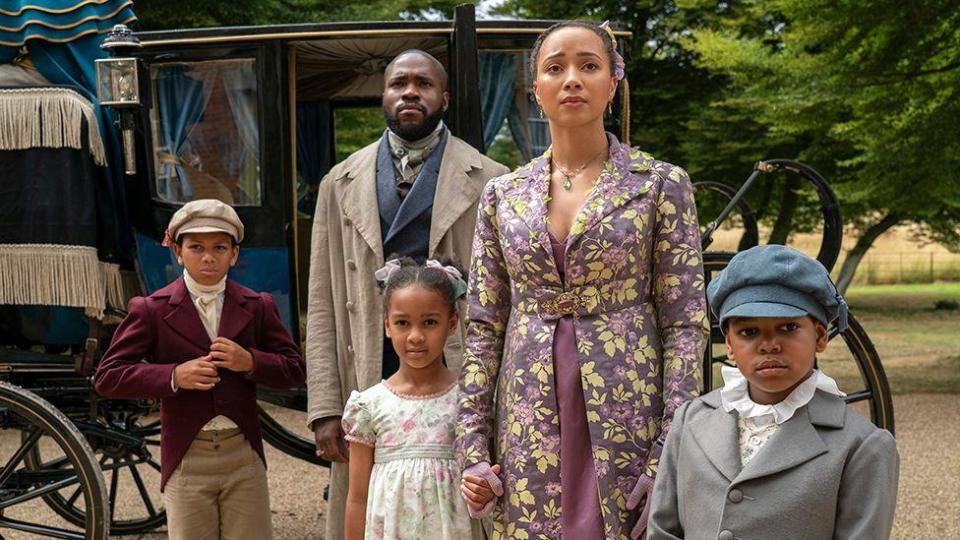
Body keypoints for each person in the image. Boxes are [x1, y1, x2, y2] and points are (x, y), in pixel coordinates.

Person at [456, 21, 708, 540]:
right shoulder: (503, 195)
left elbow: (686, 323)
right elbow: (483, 326)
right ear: (537, 90)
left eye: (588, 65)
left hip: (627, 399)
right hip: (528, 404)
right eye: (556, 67)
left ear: (613, 83)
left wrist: (670, 450)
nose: (572, 79)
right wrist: (472, 448)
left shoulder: (660, 184)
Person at [305, 49, 509, 539]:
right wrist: (326, 407)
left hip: (458, 377)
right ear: (384, 95)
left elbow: (510, 304)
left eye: (424, 83)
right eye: (399, 83)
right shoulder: (340, 181)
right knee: (363, 503)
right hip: (370, 371)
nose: (410, 92)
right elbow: (323, 301)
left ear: (445, 97)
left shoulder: (492, 180)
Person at [647, 244, 900, 539]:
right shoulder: (690, 421)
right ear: (728, 343)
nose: (769, 344)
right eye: (749, 332)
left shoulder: (862, 446)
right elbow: (664, 529)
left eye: (788, 327)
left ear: (819, 335)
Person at [94, 199, 306, 540]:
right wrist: (173, 376)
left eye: (220, 247)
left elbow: (295, 370)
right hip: (186, 459)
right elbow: (108, 377)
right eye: (196, 247)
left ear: (234, 254)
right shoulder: (151, 309)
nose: (208, 257)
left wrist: (251, 361)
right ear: (178, 252)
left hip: (244, 457)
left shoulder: (257, 305)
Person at [341, 258, 483, 540]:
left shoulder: (469, 401)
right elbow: (357, 498)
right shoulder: (368, 407)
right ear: (387, 325)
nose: (416, 336)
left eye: (430, 322)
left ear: (452, 323)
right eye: (403, 323)